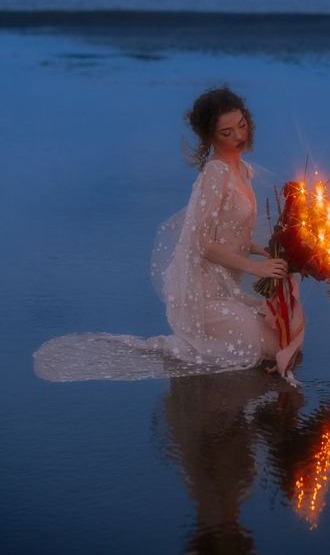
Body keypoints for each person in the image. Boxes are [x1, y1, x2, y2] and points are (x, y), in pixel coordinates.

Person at [33, 87, 304, 383]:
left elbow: (229, 232)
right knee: (274, 347)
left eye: (242, 125)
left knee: (285, 332)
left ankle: (237, 317)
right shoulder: (216, 174)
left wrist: (261, 250)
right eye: (227, 132)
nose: (239, 136)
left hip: (228, 288)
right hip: (204, 297)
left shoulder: (243, 170)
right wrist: (256, 268)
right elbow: (202, 243)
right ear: (210, 137)